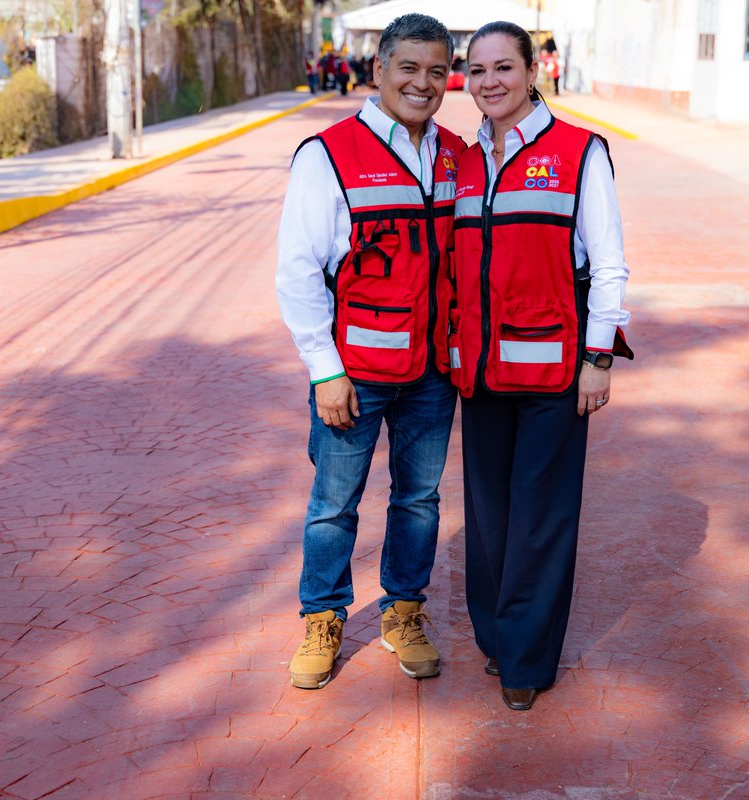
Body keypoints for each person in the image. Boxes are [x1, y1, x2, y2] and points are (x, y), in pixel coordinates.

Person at [276, 13, 464, 690]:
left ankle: (403, 613)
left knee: (419, 500)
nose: (423, 83)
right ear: (378, 68)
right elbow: (297, 273)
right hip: (353, 372)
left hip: (433, 373)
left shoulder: (456, 158)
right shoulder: (327, 155)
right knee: (334, 504)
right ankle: (322, 619)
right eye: (409, 68)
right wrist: (325, 371)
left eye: (438, 71)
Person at [448, 20, 631, 711]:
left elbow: (608, 263)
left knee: (541, 516)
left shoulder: (580, 152)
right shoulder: (462, 163)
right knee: (490, 515)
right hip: (481, 371)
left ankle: (526, 659)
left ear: (532, 71)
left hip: (556, 372)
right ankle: (498, 638)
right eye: (478, 69)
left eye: (504, 67)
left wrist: (599, 357)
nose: (490, 81)